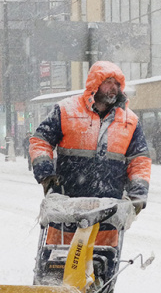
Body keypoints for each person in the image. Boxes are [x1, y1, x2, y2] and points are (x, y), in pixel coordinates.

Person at [29, 60, 151, 212]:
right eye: (108, 82)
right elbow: (40, 141)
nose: (113, 87)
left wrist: (138, 194)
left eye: (117, 83)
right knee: (63, 238)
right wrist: (46, 175)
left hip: (109, 210)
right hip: (67, 207)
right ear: (95, 84)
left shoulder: (130, 120)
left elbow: (140, 160)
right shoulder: (67, 110)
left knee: (104, 237)